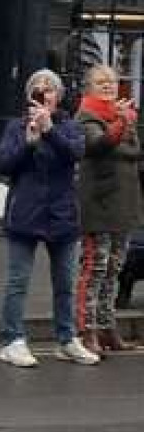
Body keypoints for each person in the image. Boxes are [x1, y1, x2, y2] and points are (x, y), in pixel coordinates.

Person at [0, 69, 96, 367]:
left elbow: (76, 153)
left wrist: (50, 131)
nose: (43, 93)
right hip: (25, 213)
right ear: (29, 96)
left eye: (49, 89)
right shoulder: (16, 126)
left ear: (58, 95)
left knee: (65, 282)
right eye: (37, 89)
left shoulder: (69, 126)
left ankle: (66, 339)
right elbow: (2, 164)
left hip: (62, 215)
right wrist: (27, 143)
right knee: (18, 282)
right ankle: (12, 339)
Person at [74, 64, 141, 356]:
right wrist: (122, 126)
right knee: (95, 268)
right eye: (101, 82)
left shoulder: (121, 116)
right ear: (89, 88)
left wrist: (124, 127)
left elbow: (135, 151)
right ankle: (86, 330)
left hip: (123, 205)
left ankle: (106, 326)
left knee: (115, 268)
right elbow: (100, 145)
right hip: (98, 205)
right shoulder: (86, 115)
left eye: (112, 82)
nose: (108, 87)